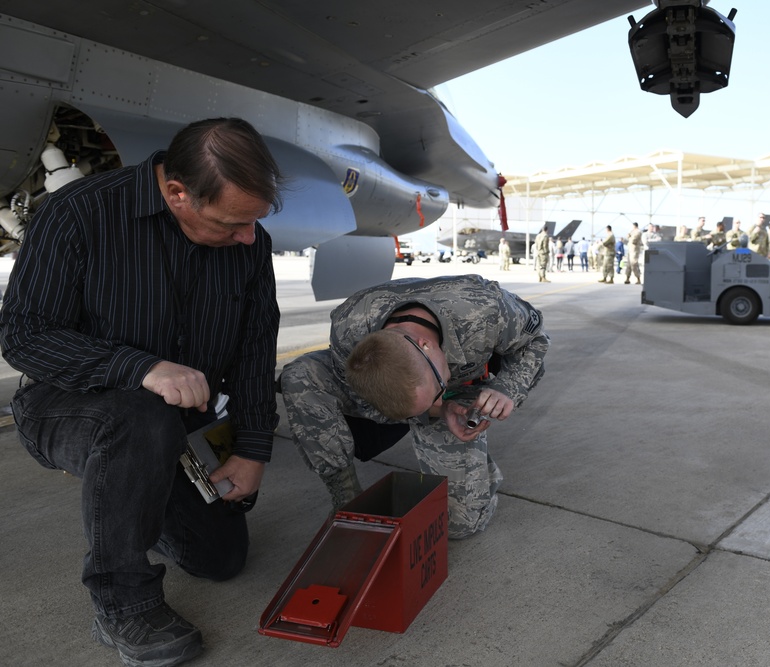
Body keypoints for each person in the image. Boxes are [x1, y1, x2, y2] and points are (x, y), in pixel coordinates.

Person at [0, 118, 284, 666]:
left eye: (254, 224)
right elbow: (24, 336)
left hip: (184, 419)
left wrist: (252, 449)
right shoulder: (79, 213)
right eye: (232, 224)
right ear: (176, 193)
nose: (248, 238)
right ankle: (123, 603)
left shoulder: (249, 241)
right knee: (140, 417)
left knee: (221, 559)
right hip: (68, 407)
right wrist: (141, 366)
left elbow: (254, 349)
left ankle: (135, 502)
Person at [280, 275, 548, 537]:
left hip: (463, 386)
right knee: (300, 376)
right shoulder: (348, 326)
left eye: (436, 391)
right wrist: (434, 409)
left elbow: (536, 340)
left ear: (427, 346)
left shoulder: (484, 308)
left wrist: (507, 389)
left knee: (460, 523)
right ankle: (345, 494)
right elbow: (368, 398)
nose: (437, 402)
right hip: (395, 389)